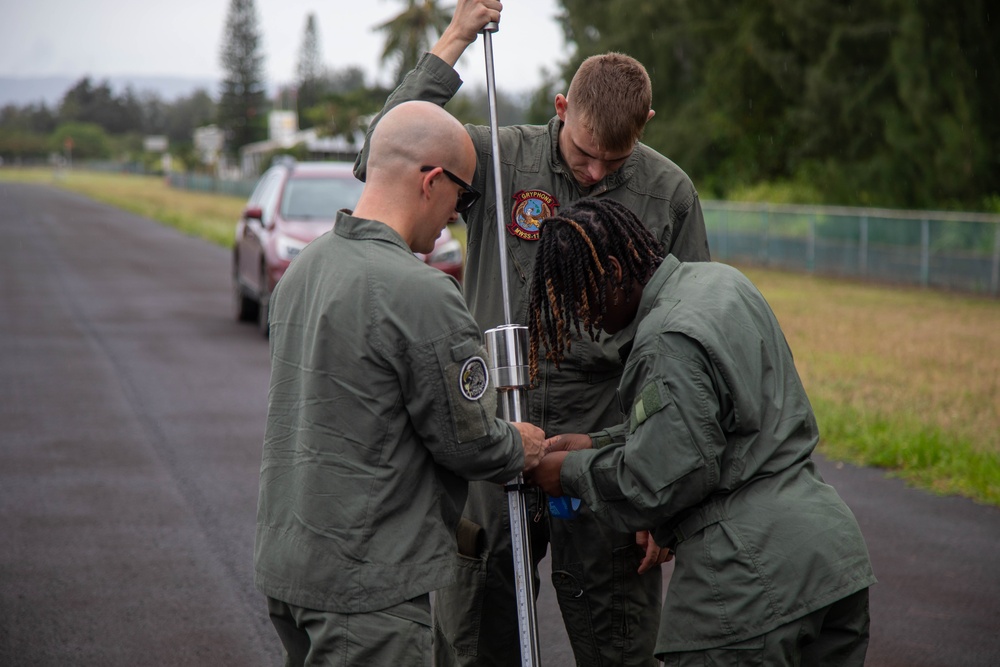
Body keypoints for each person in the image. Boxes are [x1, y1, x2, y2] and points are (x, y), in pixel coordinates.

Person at [355, 3, 711, 666]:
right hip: (490, 444)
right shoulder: (496, 154)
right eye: (582, 152)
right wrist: (458, 35)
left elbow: (689, 347)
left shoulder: (670, 195)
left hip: (602, 457)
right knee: (473, 641)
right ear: (558, 106)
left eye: (616, 158)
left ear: (647, 127)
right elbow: (382, 155)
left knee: (621, 646)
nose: (595, 173)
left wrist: (666, 500)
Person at [253, 100, 547, 667]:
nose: (456, 216)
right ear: (432, 180)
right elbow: (468, 441)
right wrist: (522, 446)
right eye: (462, 198)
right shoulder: (423, 293)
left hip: (290, 564)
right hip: (368, 588)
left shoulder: (304, 269)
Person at [526, 197, 877, 665]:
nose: (582, 320)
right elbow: (716, 422)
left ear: (612, 271)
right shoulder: (721, 282)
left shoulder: (664, 338)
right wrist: (597, 442)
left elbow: (660, 480)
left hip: (748, 584)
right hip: (831, 559)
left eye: (579, 297)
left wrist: (568, 471)